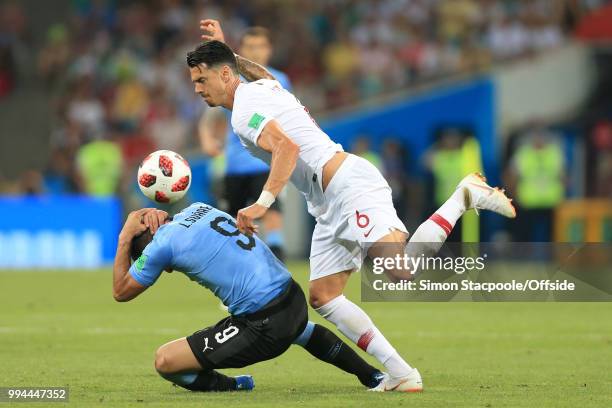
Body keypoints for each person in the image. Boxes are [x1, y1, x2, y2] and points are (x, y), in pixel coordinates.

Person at [188, 19, 516, 392]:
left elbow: (287, 148)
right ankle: (402, 374)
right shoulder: (259, 87)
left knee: (400, 270)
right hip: (326, 202)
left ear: (226, 74)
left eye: (202, 80)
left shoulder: (245, 113)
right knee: (324, 296)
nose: (198, 89)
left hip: (348, 187)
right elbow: (261, 71)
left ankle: (464, 197)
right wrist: (228, 52)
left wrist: (262, 203)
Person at [112, 205, 386, 392]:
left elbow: (121, 292)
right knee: (301, 331)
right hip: (293, 298)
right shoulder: (198, 208)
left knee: (165, 361)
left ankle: (233, 386)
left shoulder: (162, 246)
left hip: (265, 325)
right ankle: (371, 374)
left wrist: (125, 236)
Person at [199, 27, 289, 261]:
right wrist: (207, 139)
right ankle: (236, 273)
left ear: (269, 50)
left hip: (265, 160)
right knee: (231, 223)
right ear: (242, 50)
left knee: (272, 211)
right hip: (235, 164)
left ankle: (277, 257)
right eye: (250, 47)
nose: (255, 52)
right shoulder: (230, 80)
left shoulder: (279, 80)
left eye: (260, 46)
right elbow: (209, 118)